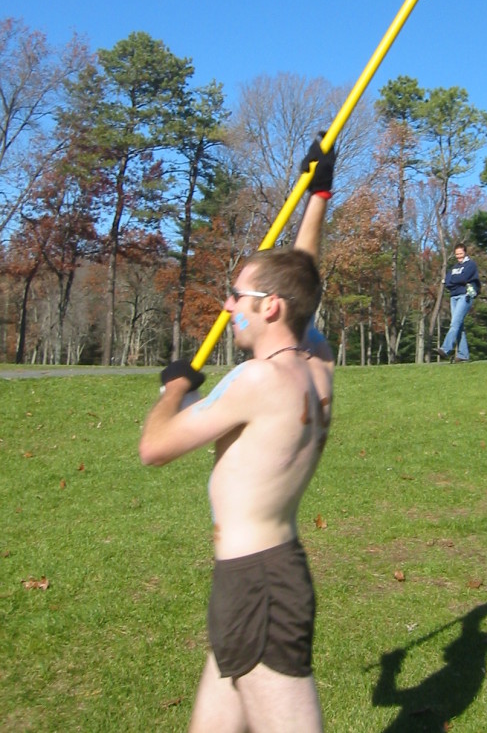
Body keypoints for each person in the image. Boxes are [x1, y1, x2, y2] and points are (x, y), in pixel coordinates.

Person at [139, 136, 336, 733]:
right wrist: (318, 198)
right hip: (256, 575)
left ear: (269, 308)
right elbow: (301, 281)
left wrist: (176, 385)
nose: (229, 308)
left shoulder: (256, 381)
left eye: (238, 297)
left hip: (259, 585)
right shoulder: (317, 364)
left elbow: (155, 447)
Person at [434, 242, 481, 363]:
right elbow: (447, 282)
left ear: (465, 252)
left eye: (460, 253)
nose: (458, 256)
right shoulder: (454, 268)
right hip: (453, 297)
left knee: (454, 323)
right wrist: (455, 281)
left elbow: (462, 278)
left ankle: (446, 348)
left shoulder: (471, 265)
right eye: (456, 254)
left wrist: (453, 281)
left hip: (465, 296)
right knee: (459, 325)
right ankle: (463, 355)